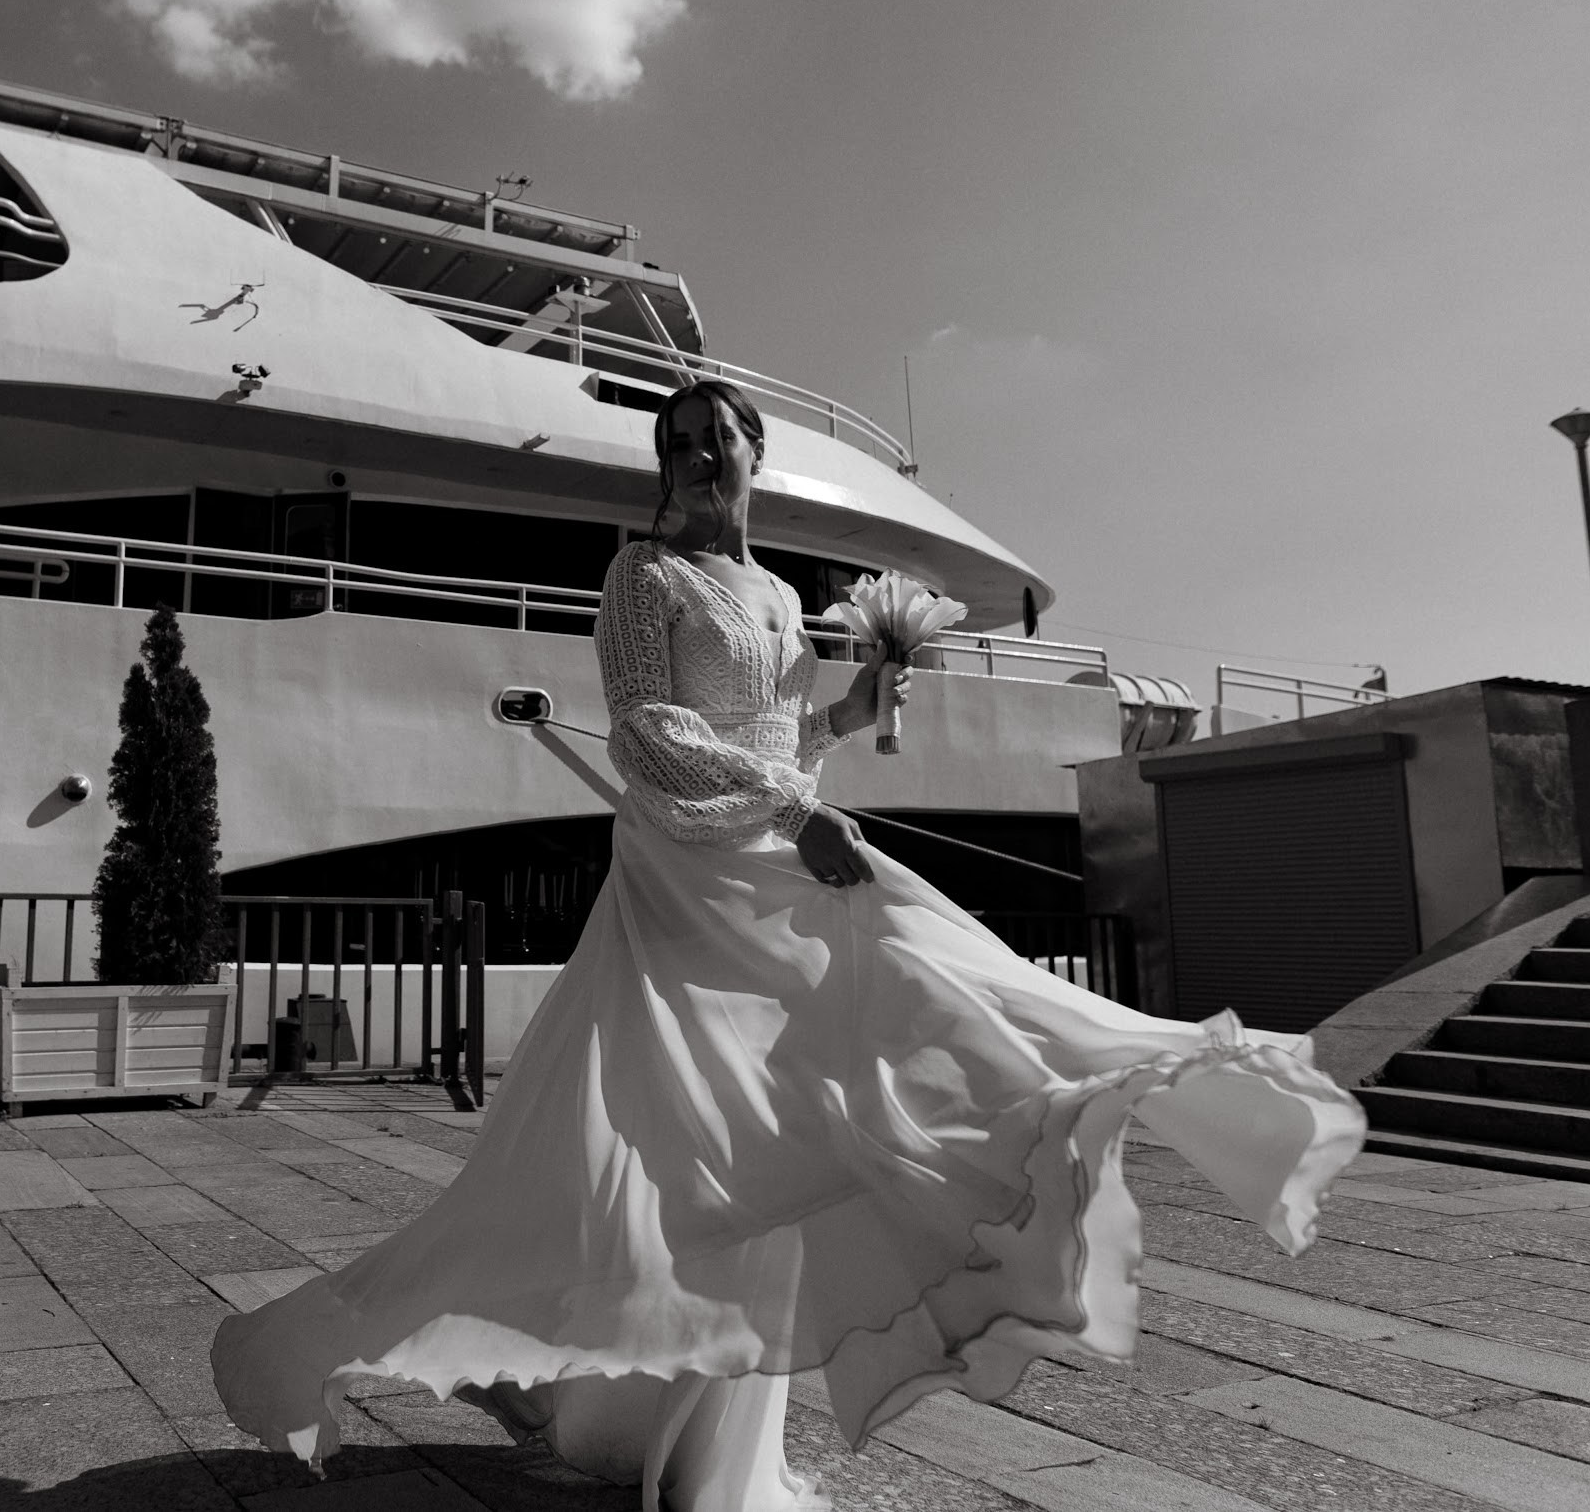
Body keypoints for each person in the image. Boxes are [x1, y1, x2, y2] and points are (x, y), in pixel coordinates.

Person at [212, 380, 1365, 1510]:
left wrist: (849, 716)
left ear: (756, 453)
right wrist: (793, 807)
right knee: (712, 1120)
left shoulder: (770, 589)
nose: (702, 459)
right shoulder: (640, 574)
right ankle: (526, 1358)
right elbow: (649, 733)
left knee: (826, 1073)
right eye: (680, 443)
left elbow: (780, 732)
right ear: (662, 463)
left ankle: (657, 1399)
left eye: (720, 439)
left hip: (767, 849)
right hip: (685, 873)